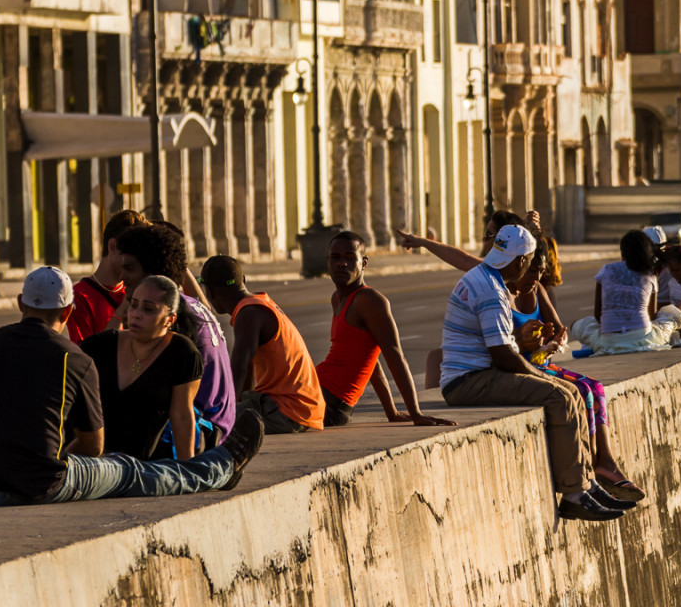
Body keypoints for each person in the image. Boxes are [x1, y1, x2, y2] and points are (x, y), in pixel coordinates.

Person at [0, 267, 266, 516]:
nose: (134, 313)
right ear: (70, 311)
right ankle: (222, 465)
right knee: (128, 472)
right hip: (44, 485)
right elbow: (92, 448)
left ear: (20, 304)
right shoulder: (77, 359)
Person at [439, 224, 629, 522]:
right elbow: (503, 355)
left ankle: (587, 483)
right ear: (519, 262)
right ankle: (573, 494)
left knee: (574, 392)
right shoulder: (490, 290)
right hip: (468, 382)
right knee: (560, 397)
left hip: (479, 374)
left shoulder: (488, 279)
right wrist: (541, 376)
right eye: (527, 263)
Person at [510, 244, 644, 501]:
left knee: (596, 387)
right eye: (532, 272)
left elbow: (560, 328)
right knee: (581, 392)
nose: (536, 278)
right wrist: (522, 338)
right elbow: (500, 343)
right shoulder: (503, 294)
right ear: (519, 266)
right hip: (523, 367)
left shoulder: (536, 290)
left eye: (540, 272)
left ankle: (604, 460)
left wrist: (555, 340)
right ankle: (590, 470)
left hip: (542, 362)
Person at [113, 223, 236, 448]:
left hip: (200, 434)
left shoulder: (164, 315)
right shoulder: (190, 305)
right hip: (218, 426)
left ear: (151, 272)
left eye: (129, 269)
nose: (122, 277)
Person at [315, 231, 454, 428]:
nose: (341, 263)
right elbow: (372, 363)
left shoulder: (370, 301)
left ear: (363, 263)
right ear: (328, 261)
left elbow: (395, 356)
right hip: (318, 390)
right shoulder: (337, 298)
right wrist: (392, 413)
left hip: (330, 403)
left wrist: (416, 414)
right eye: (335, 258)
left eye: (349, 258)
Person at [79, 274, 203, 460]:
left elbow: (182, 417)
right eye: (134, 304)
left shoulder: (182, 353)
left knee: (204, 470)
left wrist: (186, 471)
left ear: (170, 319)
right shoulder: (98, 347)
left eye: (148, 309)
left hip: (139, 469)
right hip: (87, 464)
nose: (136, 313)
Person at [200, 256, 327, 435]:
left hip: (287, 412)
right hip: (298, 408)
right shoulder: (260, 303)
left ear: (210, 292)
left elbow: (239, 368)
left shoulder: (248, 313)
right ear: (243, 280)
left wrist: (225, 415)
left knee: (204, 424)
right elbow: (247, 372)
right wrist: (237, 404)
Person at [69, 209, 149, 343]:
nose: (139, 261)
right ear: (113, 246)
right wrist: (123, 308)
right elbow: (86, 356)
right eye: (134, 253)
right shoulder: (80, 296)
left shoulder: (141, 290)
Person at [594, 230, 662, 336]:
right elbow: (652, 316)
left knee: (581, 324)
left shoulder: (607, 269)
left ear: (622, 251)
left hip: (609, 339)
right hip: (641, 336)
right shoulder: (650, 275)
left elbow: (598, 315)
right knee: (671, 314)